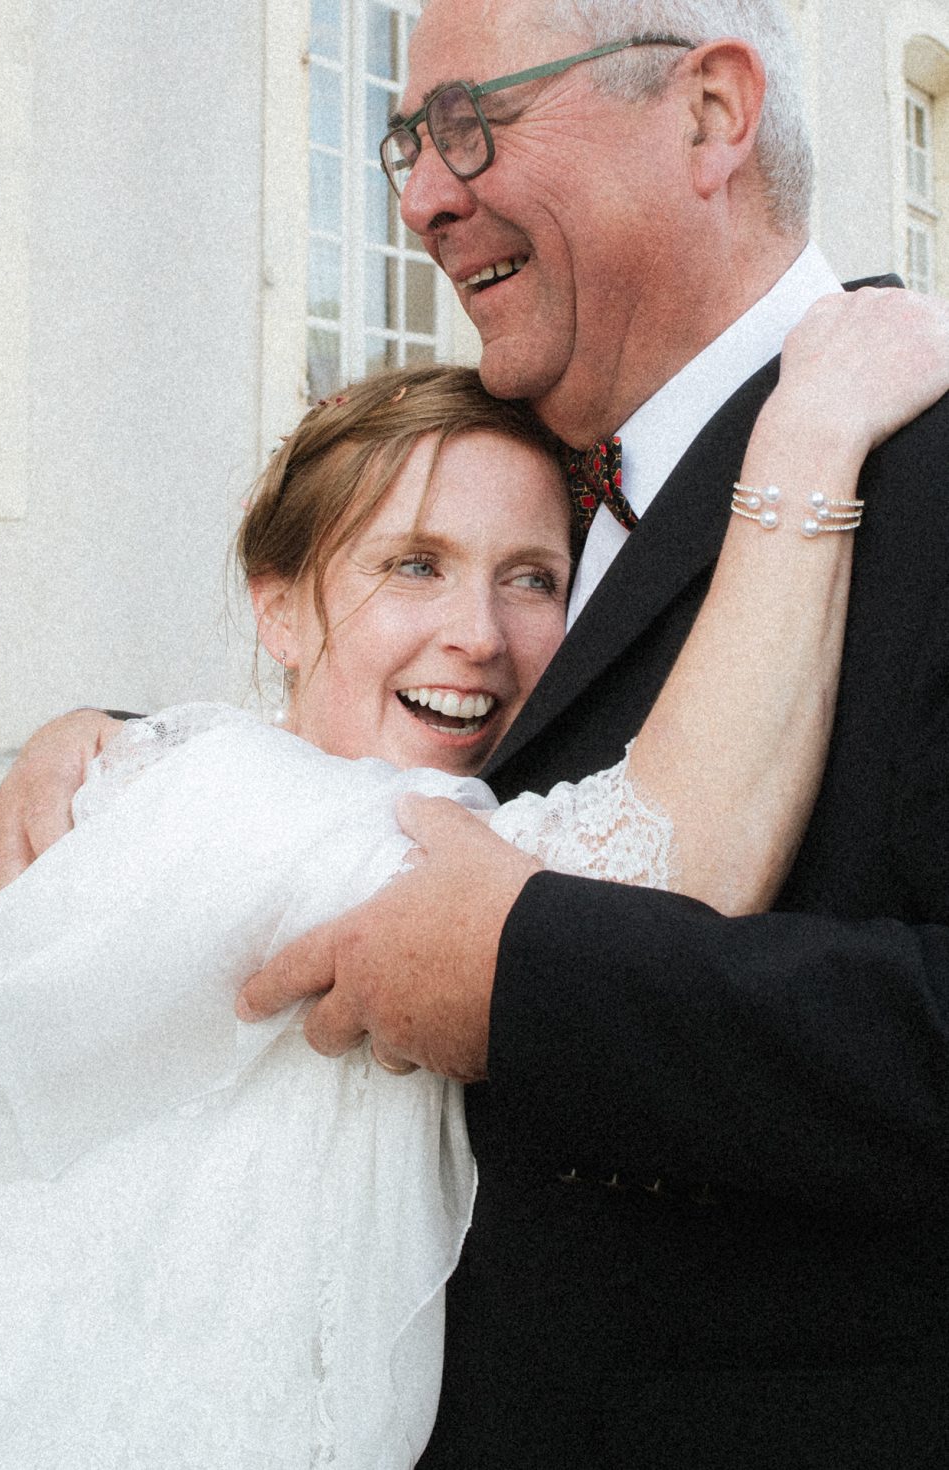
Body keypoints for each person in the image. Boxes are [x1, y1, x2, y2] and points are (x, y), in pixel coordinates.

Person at [0, 308, 947, 1470]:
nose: (477, 634)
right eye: (413, 565)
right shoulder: (216, 800)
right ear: (276, 606)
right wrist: (808, 434)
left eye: (531, 578)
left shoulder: (224, 787)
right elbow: (667, 867)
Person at [224, 4, 949, 1466]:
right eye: (408, 142)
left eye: (471, 122)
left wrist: (529, 977)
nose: (422, 198)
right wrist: (134, 762)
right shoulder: (530, 472)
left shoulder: (926, 466)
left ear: (709, 114)